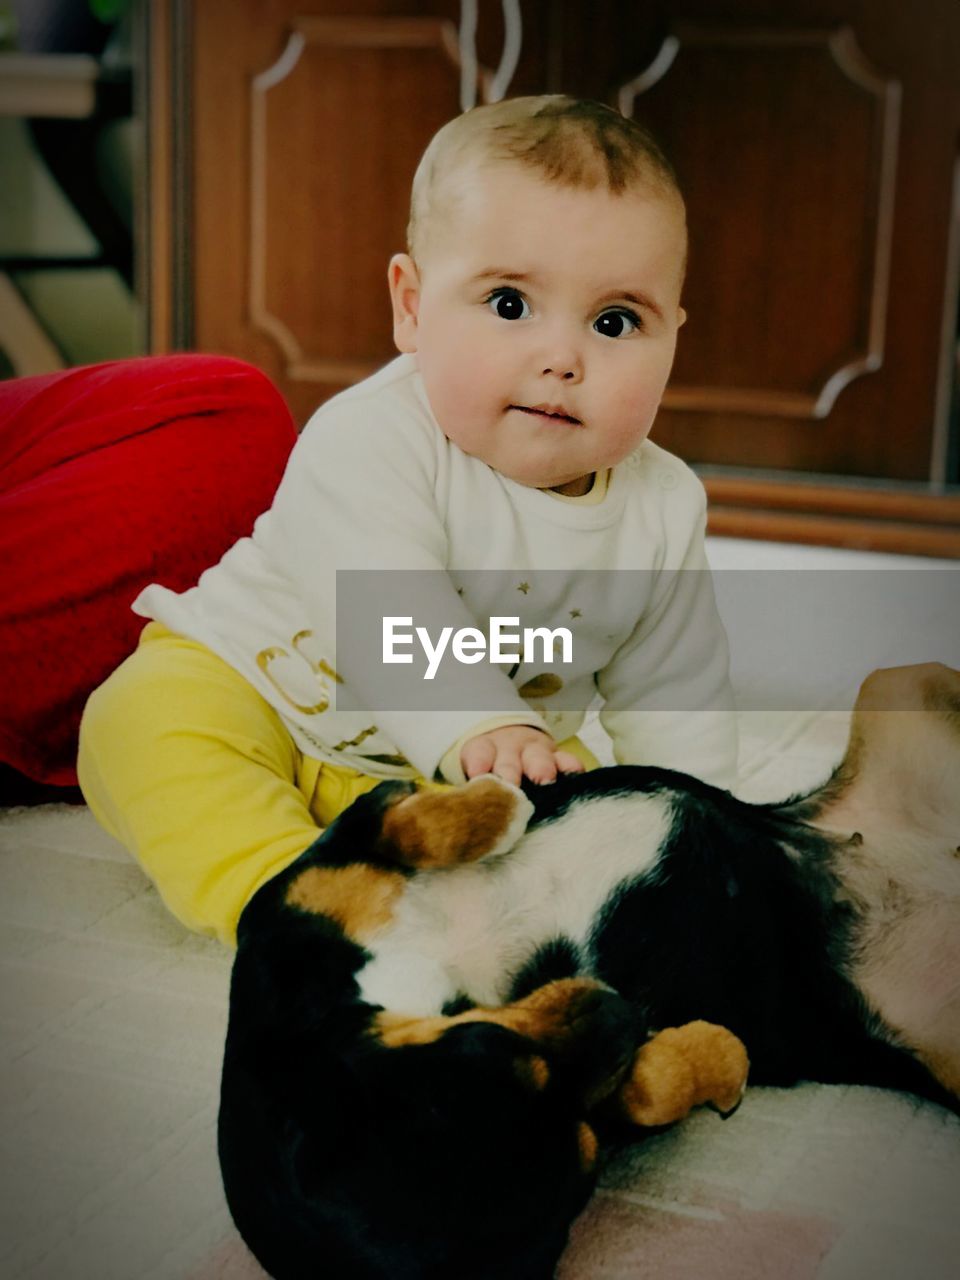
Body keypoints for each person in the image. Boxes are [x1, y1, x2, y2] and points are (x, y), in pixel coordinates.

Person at [78, 95, 738, 946]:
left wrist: (701, 844)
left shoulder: (664, 508)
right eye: (509, 304)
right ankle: (300, 913)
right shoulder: (371, 435)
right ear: (412, 306)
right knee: (145, 721)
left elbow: (679, 699)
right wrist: (481, 722)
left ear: (674, 337)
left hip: (455, 785)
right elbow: (388, 606)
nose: (562, 358)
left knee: (588, 833)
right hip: (263, 696)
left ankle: (433, 911)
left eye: (616, 322)